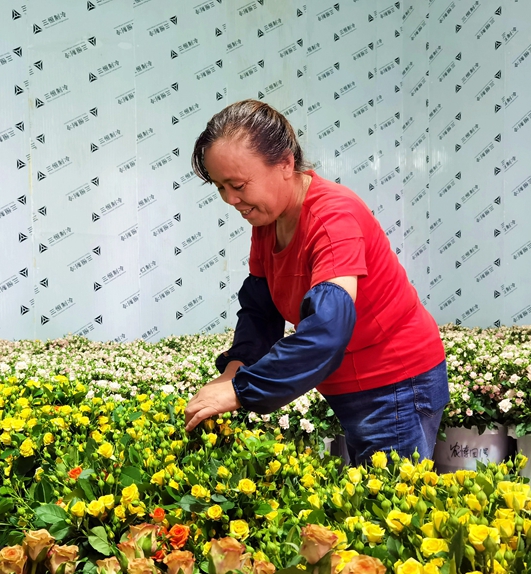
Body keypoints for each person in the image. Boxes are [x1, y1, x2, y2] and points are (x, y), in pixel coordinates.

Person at [182, 100, 449, 465]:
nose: (231, 200)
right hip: (348, 386)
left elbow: (328, 331)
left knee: (389, 513)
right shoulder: (267, 221)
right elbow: (261, 312)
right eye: (220, 187)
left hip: (395, 384)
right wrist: (232, 372)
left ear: (286, 164)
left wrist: (242, 392)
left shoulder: (332, 217)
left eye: (238, 185)